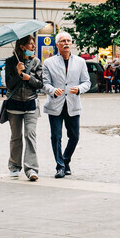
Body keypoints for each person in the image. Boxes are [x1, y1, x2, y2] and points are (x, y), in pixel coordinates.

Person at [42, 31, 91, 179]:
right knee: (56, 137)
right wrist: (52, 90)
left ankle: (66, 159)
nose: (66, 43)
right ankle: (60, 166)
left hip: (73, 104)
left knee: (74, 137)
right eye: (63, 41)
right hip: (55, 104)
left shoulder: (80, 62)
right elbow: (45, 84)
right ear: (57, 45)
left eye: (68, 41)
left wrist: (79, 89)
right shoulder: (48, 63)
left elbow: (87, 82)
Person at [3, 35, 44, 181]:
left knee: (30, 135)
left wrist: (28, 78)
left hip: (31, 104)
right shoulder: (10, 62)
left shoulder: (36, 61)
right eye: (31, 44)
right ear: (22, 46)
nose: (33, 47)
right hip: (14, 105)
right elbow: (9, 85)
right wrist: (18, 72)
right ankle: (14, 166)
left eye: (33, 44)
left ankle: (31, 169)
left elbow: (40, 84)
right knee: (16, 137)